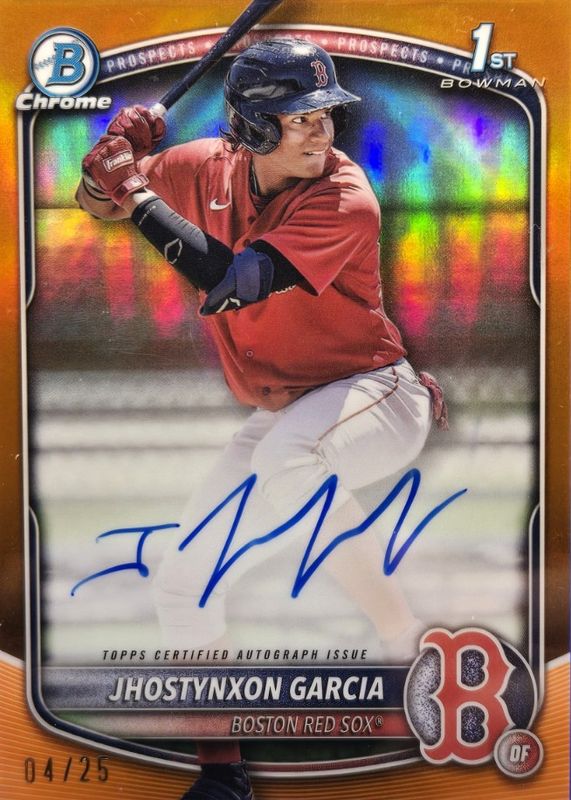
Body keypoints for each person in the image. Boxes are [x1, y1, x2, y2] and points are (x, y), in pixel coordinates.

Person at [78, 38, 447, 800]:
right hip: (284, 411)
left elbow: (230, 280)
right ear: (249, 125)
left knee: (288, 461)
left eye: (324, 114)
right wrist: (109, 160)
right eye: (298, 117)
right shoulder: (202, 168)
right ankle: (223, 777)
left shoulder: (344, 196)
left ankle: (406, 650)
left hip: (374, 392)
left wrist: (135, 191)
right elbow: (100, 202)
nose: (320, 130)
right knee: (182, 583)